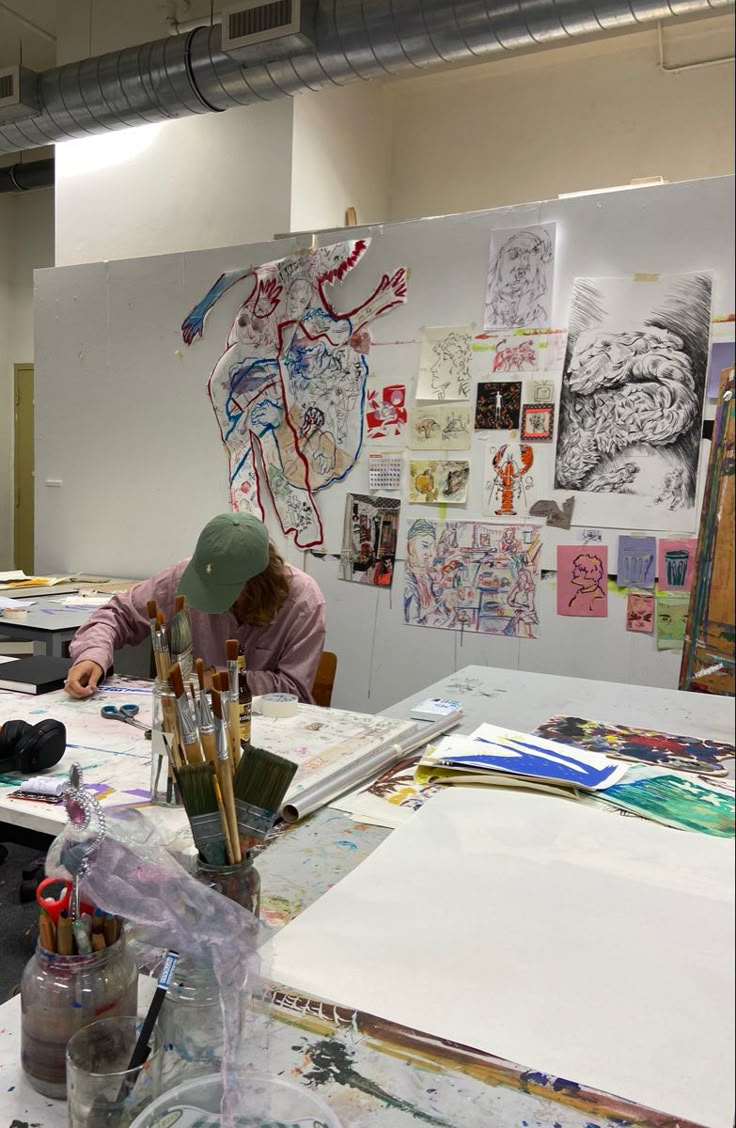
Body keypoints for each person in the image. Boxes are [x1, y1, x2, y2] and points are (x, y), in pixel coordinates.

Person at [65, 513, 326, 703]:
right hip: (192, 720)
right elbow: (117, 615)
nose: (211, 600)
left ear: (257, 582)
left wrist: (221, 679)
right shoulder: (182, 577)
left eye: (224, 590)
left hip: (270, 728)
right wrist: (92, 656)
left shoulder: (303, 601)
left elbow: (294, 689)